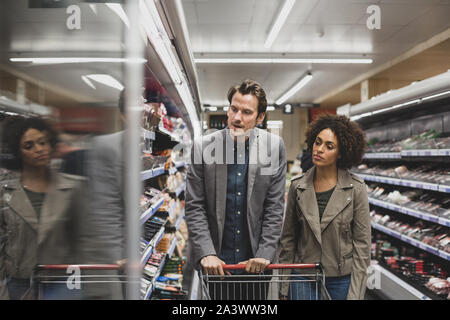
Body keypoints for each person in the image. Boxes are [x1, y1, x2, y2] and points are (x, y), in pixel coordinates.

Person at [185, 79, 287, 299]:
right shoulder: (204, 148)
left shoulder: (273, 148)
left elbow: (274, 206)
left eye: (247, 112)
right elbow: (195, 206)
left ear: (260, 117)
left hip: (255, 264)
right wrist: (207, 253)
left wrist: (265, 253)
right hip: (215, 265)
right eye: (234, 109)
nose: (237, 118)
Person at [278, 114, 370, 300]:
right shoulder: (298, 186)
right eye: (318, 142)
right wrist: (284, 286)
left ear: (341, 153)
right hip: (303, 276)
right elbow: (289, 239)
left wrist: (355, 294)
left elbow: (362, 246)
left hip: (340, 280)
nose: (319, 149)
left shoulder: (356, 189)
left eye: (329, 146)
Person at [0, 117, 85, 300]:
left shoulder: (73, 188)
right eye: (29, 146)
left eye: (42, 142)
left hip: (62, 283)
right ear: (18, 152)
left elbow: (84, 238)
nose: (39, 149)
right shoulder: (4, 194)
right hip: (19, 284)